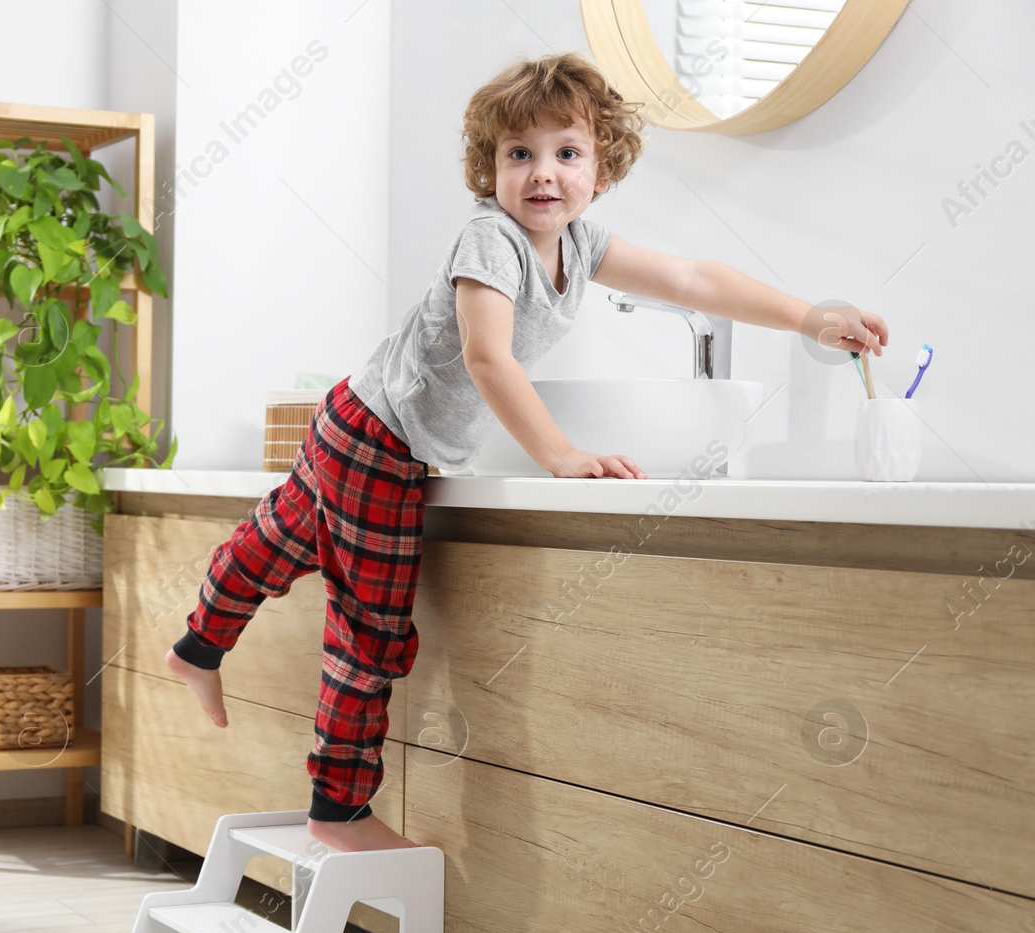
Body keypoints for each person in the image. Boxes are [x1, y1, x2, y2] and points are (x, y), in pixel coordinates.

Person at [164, 52, 888, 853]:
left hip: (363, 421)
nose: (544, 174)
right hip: (378, 439)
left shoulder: (579, 244)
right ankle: (337, 812)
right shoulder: (491, 240)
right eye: (520, 155)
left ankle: (198, 644)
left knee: (280, 540)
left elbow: (691, 276)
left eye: (566, 153)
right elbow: (489, 358)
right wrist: (560, 452)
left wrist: (809, 316)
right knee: (370, 630)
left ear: (602, 170)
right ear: (491, 169)